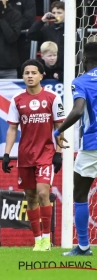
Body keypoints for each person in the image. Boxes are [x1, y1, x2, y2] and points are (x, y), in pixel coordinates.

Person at [2, 59, 65, 252]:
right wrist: (6, 154)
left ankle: (47, 239)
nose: (30, 76)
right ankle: (37, 239)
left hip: (45, 153)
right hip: (25, 156)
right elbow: (12, 128)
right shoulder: (17, 100)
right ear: (23, 76)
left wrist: (59, 152)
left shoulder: (53, 98)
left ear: (41, 75)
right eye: (26, 73)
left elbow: (59, 126)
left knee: (43, 193)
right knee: (30, 197)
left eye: (33, 72)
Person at [53, 42, 97, 256]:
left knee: (80, 193)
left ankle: (83, 246)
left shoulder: (81, 81)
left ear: (84, 60)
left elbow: (78, 110)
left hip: (93, 146)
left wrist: (58, 130)